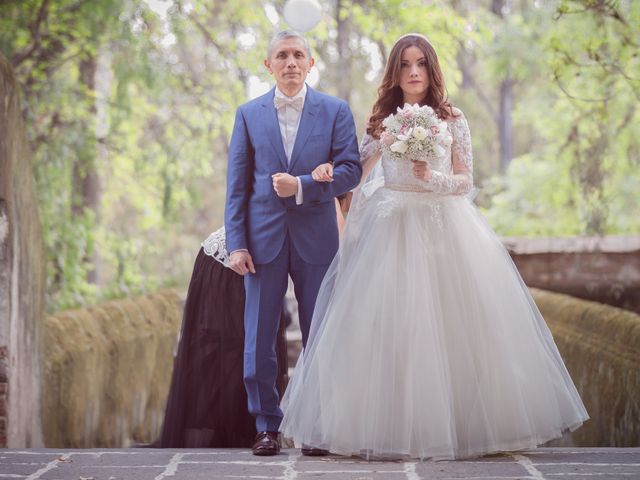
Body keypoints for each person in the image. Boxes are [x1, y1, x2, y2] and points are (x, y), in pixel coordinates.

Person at [279, 33, 589, 460]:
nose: (413, 73)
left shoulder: (452, 117)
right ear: (394, 71)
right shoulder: (382, 122)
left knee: (450, 326)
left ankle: (458, 428)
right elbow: (356, 171)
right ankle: (390, 427)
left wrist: (434, 179)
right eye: (405, 65)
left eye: (420, 64)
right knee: (389, 325)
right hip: (390, 229)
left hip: (443, 227)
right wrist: (332, 175)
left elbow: (466, 180)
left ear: (431, 69)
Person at [224, 30, 362, 456]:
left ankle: (316, 426)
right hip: (261, 242)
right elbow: (236, 187)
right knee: (259, 338)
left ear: (310, 62)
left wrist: (301, 185)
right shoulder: (248, 115)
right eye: (281, 55)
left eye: (298, 54)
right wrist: (236, 244)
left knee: (319, 333)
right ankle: (267, 425)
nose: (290, 62)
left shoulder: (336, 111)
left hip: (317, 240)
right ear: (268, 65)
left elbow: (351, 170)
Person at [158, 194, 345, 448]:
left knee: (252, 346)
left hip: (260, 259)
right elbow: (239, 194)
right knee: (227, 349)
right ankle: (237, 433)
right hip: (229, 261)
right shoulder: (321, 193)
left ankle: (254, 430)